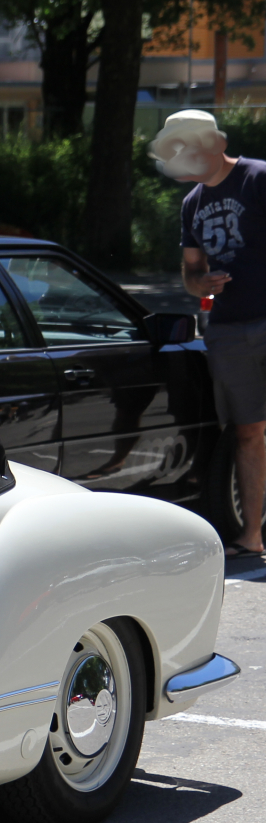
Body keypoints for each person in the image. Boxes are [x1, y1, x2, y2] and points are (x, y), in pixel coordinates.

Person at [152, 109, 266, 556]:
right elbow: (192, 270)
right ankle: (252, 536)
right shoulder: (192, 203)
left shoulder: (258, 177)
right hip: (229, 331)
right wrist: (200, 284)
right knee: (248, 432)